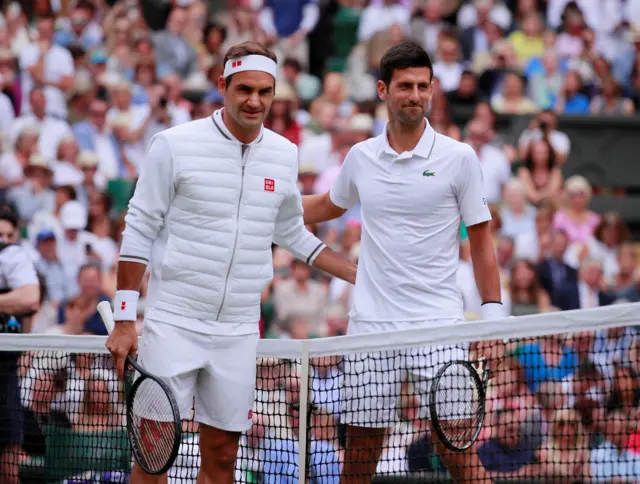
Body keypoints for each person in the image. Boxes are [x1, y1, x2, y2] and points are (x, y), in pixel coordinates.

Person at [105, 41, 357, 484]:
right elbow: (139, 229)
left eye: (264, 91)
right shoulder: (172, 144)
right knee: (153, 455)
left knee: (222, 458)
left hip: (239, 329)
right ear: (222, 85)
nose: (254, 101)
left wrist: (359, 275)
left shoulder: (285, 153)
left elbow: (290, 230)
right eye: (244, 89)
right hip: (174, 321)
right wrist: (126, 318)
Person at [302, 41, 505, 484]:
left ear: (432, 90)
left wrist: (493, 321)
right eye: (405, 86)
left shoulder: (460, 158)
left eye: (422, 86)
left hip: (440, 323)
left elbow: (483, 242)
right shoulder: (360, 157)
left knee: (456, 449)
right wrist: (262, 203)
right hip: (372, 324)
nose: (415, 94)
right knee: (360, 453)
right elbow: (325, 207)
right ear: (382, 90)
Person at [0, 204, 41, 484]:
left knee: (10, 451)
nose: (3, 241)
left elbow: (30, 299)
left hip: (4, 371)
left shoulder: (13, 257)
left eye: (8, 235)